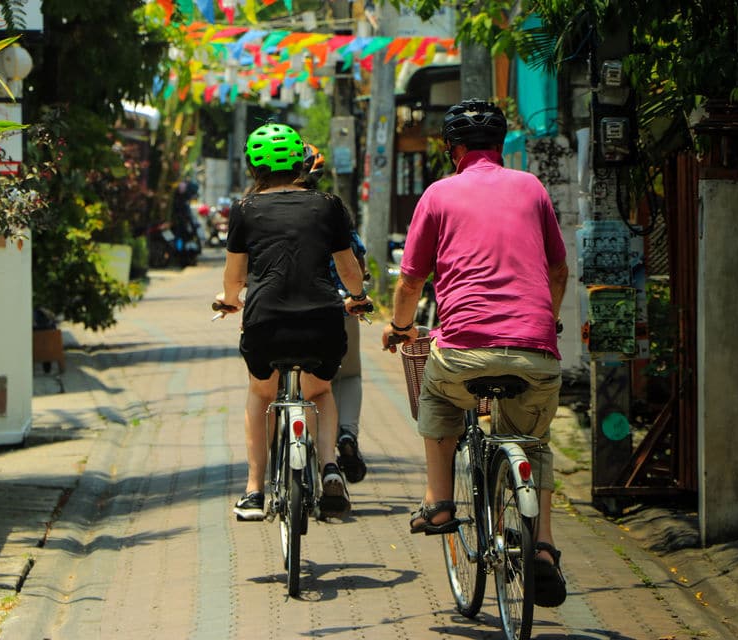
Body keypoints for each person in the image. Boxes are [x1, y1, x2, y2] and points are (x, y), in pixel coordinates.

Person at [381, 99, 569, 608]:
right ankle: (545, 549)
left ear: (454, 150)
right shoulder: (531, 187)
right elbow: (557, 270)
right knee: (532, 441)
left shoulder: (439, 194)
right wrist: (544, 322)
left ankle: (440, 503)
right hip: (536, 352)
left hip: (463, 352)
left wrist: (400, 329)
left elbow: (412, 280)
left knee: (439, 402)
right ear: (500, 145)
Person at [217, 123, 372, 522]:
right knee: (320, 392)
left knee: (261, 394)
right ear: (299, 163)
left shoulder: (245, 209)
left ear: (253, 165)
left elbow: (235, 277)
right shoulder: (329, 204)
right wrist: (358, 299)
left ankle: (254, 490)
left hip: (266, 322)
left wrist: (229, 301)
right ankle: (329, 468)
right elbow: (347, 266)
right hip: (322, 320)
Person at [302, 143, 368, 483]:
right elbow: (356, 259)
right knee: (347, 376)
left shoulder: (258, 207)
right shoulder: (333, 209)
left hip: (276, 312)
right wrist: (358, 294)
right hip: (337, 307)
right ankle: (346, 435)